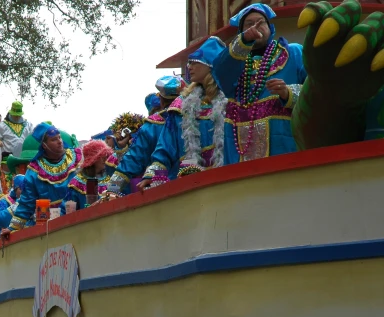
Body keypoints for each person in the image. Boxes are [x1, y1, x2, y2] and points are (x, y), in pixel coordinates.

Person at [213, 3, 306, 163]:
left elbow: (317, 92)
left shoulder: (294, 53)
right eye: (249, 24)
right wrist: (243, 41)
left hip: (283, 146)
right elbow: (221, 76)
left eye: (261, 22)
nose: (256, 26)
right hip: (238, 149)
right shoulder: (234, 62)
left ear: (270, 27)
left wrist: (288, 93)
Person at [139, 37, 228, 190]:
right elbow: (165, 147)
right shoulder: (181, 105)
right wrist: (152, 175)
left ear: (210, 66)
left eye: (194, 62)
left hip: (226, 183)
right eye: (189, 63)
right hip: (188, 187)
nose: (189, 67)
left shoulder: (231, 101)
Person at [2, 123, 82, 235]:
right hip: (50, 228)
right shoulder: (34, 171)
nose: (59, 141)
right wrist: (12, 228)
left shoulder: (76, 159)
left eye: (59, 137)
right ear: (44, 145)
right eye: (54, 139)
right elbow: (26, 203)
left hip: (80, 220)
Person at [109, 76, 184, 194]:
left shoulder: (151, 126)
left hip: (159, 190)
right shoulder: (195, 117)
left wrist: (112, 189)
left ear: (161, 100)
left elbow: (133, 159)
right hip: (197, 182)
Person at [62, 140, 114, 212]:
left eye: (106, 155)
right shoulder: (76, 183)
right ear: (93, 160)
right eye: (101, 157)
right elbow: (66, 210)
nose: (105, 159)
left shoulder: (111, 177)